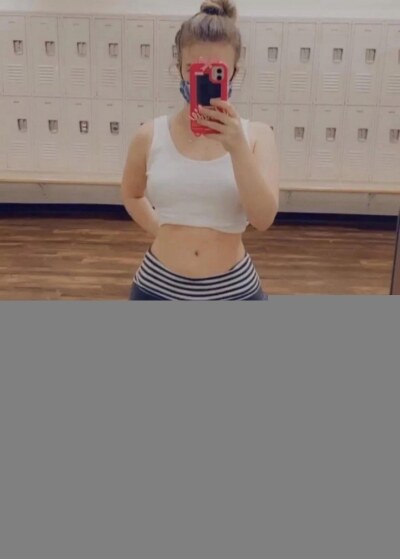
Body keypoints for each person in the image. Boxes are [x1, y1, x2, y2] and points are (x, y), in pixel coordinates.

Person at [122, 0, 279, 300]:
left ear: (233, 72)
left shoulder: (258, 136)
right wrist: (161, 229)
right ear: (179, 68)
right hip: (157, 287)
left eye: (216, 70)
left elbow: (262, 219)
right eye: (194, 69)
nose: (204, 79)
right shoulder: (149, 135)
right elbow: (131, 194)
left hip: (234, 291)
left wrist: (238, 148)